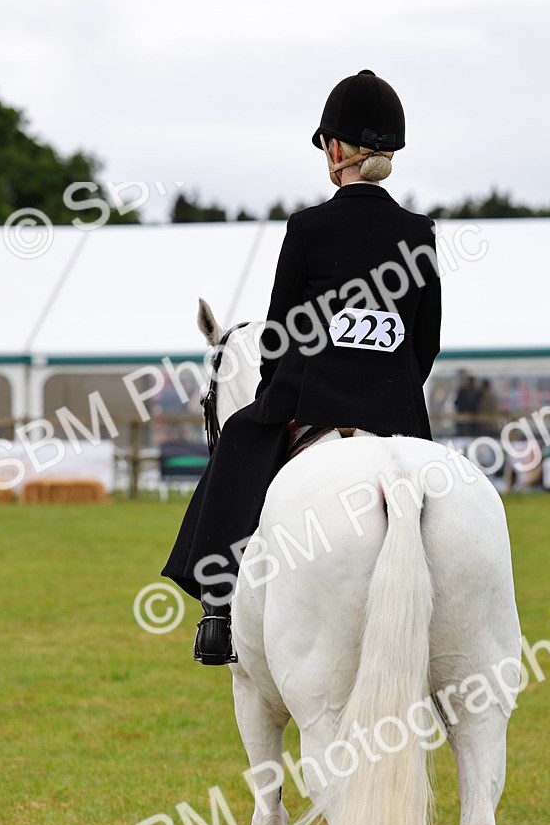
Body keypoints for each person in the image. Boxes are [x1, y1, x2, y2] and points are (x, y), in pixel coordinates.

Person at [161, 69, 442, 664]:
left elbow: (280, 331)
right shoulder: (419, 232)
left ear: (335, 150)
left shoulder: (308, 228)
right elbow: (427, 342)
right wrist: (386, 388)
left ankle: (216, 609)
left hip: (313, 398)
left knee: (239, 435)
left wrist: (273, 389)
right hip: (398, 412)